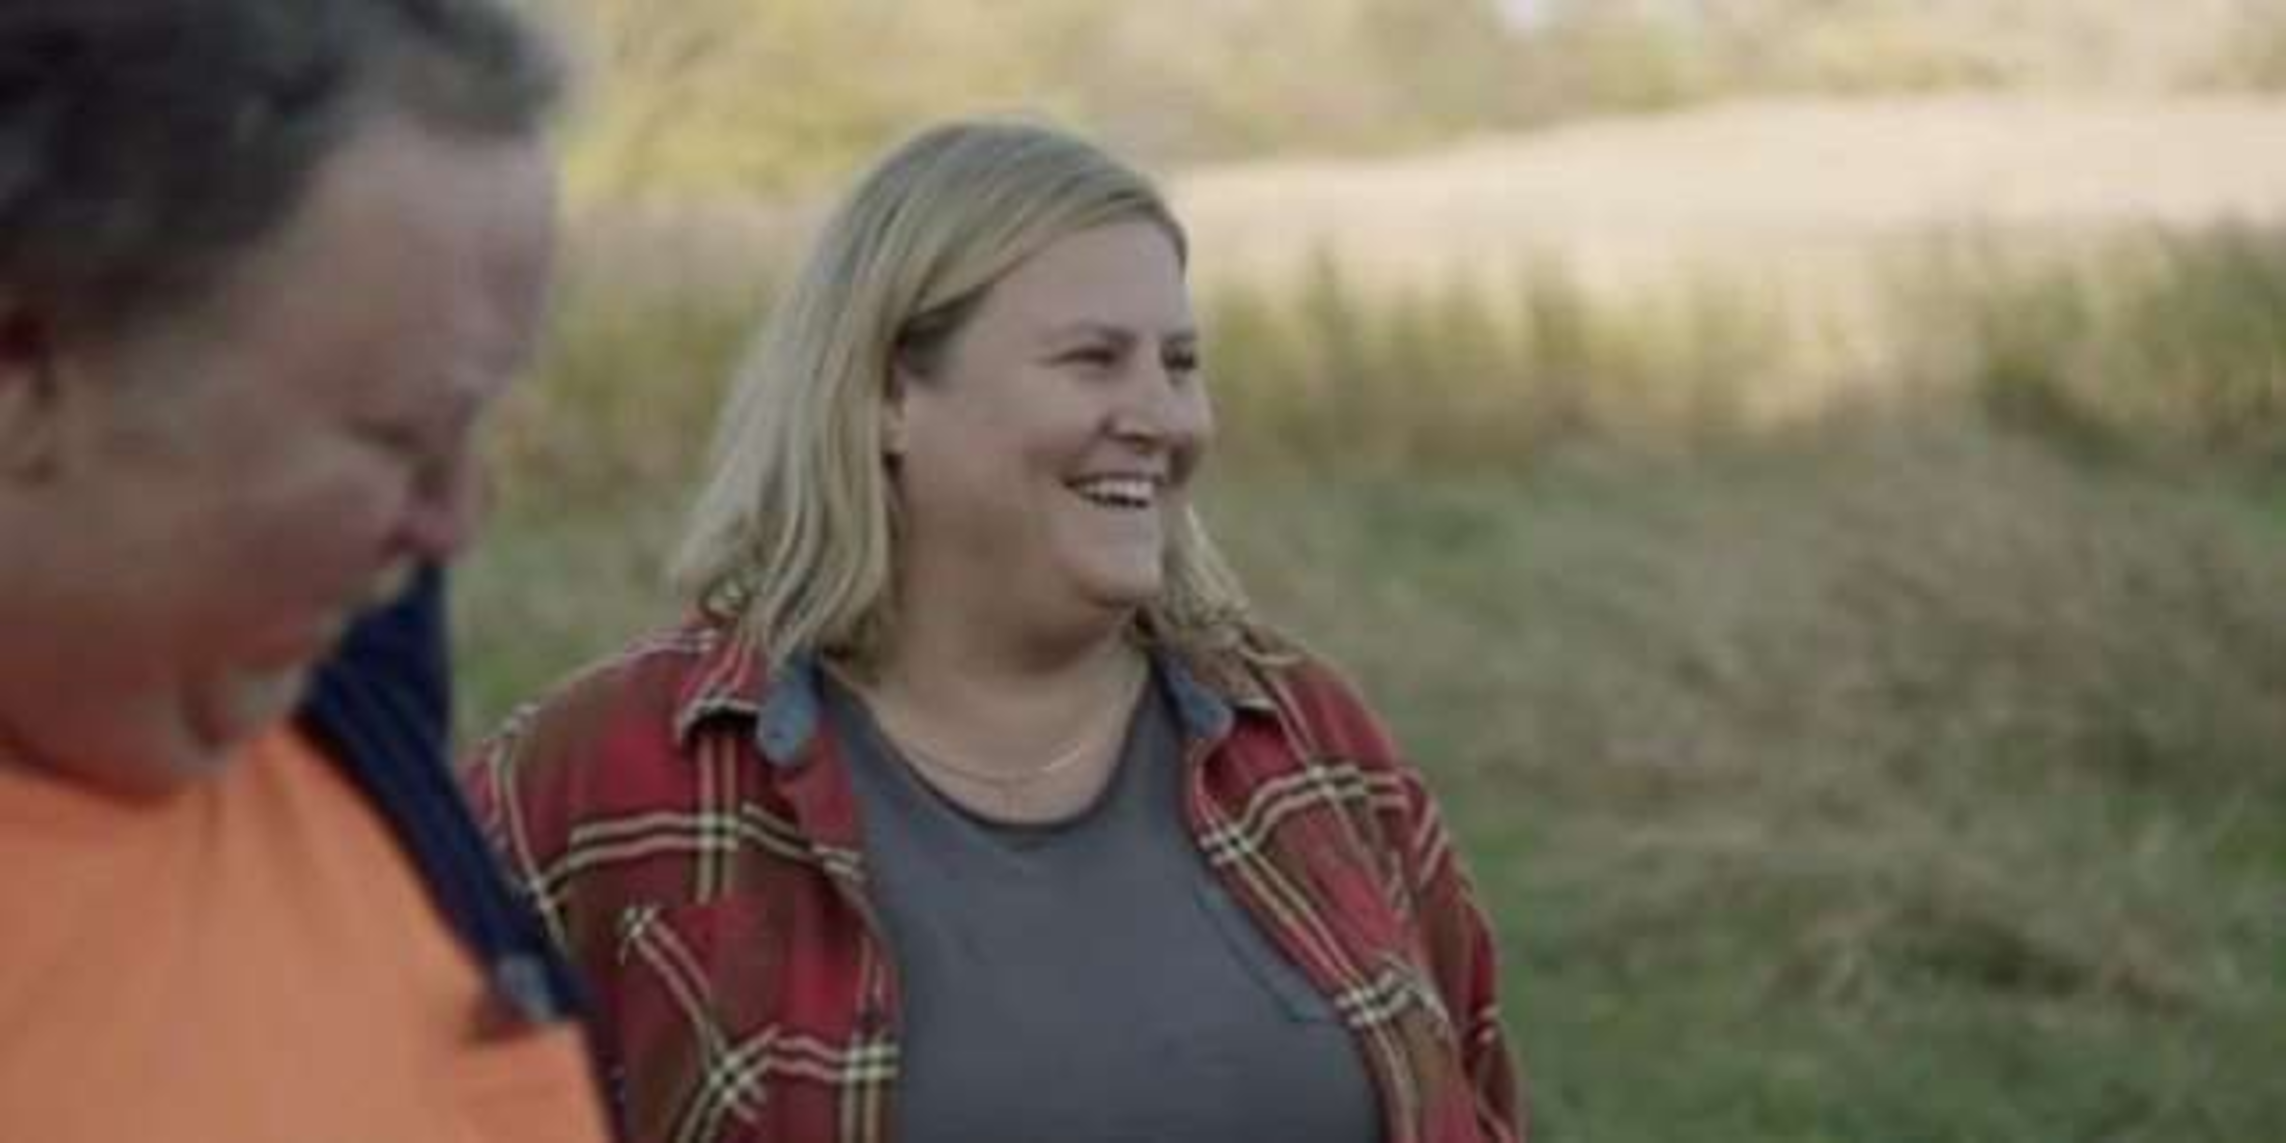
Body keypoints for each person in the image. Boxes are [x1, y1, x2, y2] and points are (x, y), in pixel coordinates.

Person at [466, 119, 1524, 1143]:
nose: (1162, 417)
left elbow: (1475, 1093)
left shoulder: (1310, 744)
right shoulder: (612, 773)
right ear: (889, 393)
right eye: (1094, 358)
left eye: (1180, 362)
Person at [0, 2, 614, 1140]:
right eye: (397, 439)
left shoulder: (329, 707)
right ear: (25, 360)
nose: (454, 523)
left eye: (472, 430)